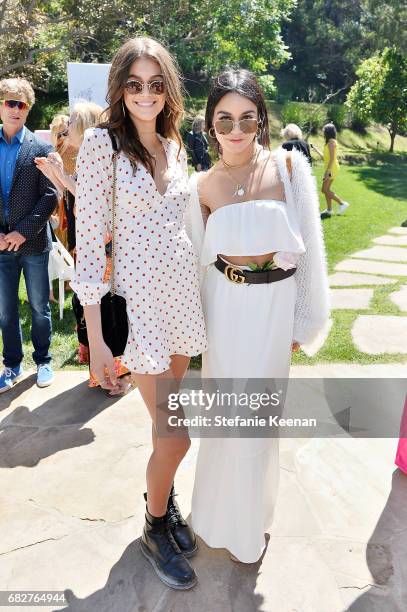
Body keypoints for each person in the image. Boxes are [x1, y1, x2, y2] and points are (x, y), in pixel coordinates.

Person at [70, 37, 207, 589]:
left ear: (167, 89)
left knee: (162, 430)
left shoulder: (174, 144)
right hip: (141, 307)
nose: (145, 94)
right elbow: (90, 239)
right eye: (134, 84)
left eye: (155, 84)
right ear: (120, 89)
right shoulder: (103, 144)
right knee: (178, 436)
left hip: (180, 298)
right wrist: (98, 340)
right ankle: (154, 527)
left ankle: (163, 505)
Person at [186, 69, 330, 563]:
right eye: (224, 119)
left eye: (247, 118)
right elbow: (199, 262)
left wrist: (304, 319)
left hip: (274, 310)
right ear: (210, 125)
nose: (236, 130)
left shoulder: (289, 169)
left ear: (261, 120)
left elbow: (310, 248)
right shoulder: (201, 186)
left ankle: (250, 525)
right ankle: (212, 514)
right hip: (225, 314)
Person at [35, 102, 130, 389]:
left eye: (74, 119)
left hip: (105, 247)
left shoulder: (102, 154)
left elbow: (92, 198)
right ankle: (104, 372)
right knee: (93, 308)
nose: (67, 125)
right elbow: (76, 195)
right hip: (90, 244)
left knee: (110, 309)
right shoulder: (88, 155)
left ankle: (119, 375)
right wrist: (57, 173)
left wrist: (60, 175)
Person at [0, 77, 58, 393]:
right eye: (10, 102)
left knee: (39, 306)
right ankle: (11, 365)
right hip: (0, 247)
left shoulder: (41, 148)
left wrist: (21, 232)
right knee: (6, 309)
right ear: (0, 105)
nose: (16, 109)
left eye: (21, 104)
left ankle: (44, 361)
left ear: (28, 110)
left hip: (33, 243)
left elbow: (49, 196)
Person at [310, 123, 350, 219]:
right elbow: (325, 158)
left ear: (328, 132)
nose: (323, 132)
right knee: (326, 190)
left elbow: (332, 159)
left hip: (332, 169)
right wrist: (315, 149)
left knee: (324, 190)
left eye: (324, 131)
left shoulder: (331, 143)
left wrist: (327, 172)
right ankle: (329, 210)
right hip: (330, 168)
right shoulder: (328, 143)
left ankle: (342, 203)